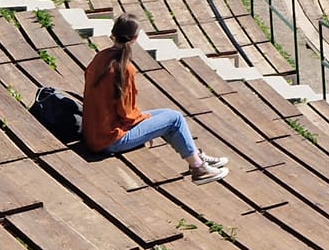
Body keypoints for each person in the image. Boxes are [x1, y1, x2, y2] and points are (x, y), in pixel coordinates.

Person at [82, 14, 226, 183]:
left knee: (166, 113)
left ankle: (195, 155)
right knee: (175, 119)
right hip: (110, 139)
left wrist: (144, 121)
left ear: (113, 33)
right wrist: (143, 122)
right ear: (135, 38)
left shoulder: (101, 57)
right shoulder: (124, 68)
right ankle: (198, 168)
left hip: (94, 133)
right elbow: (127, 114)